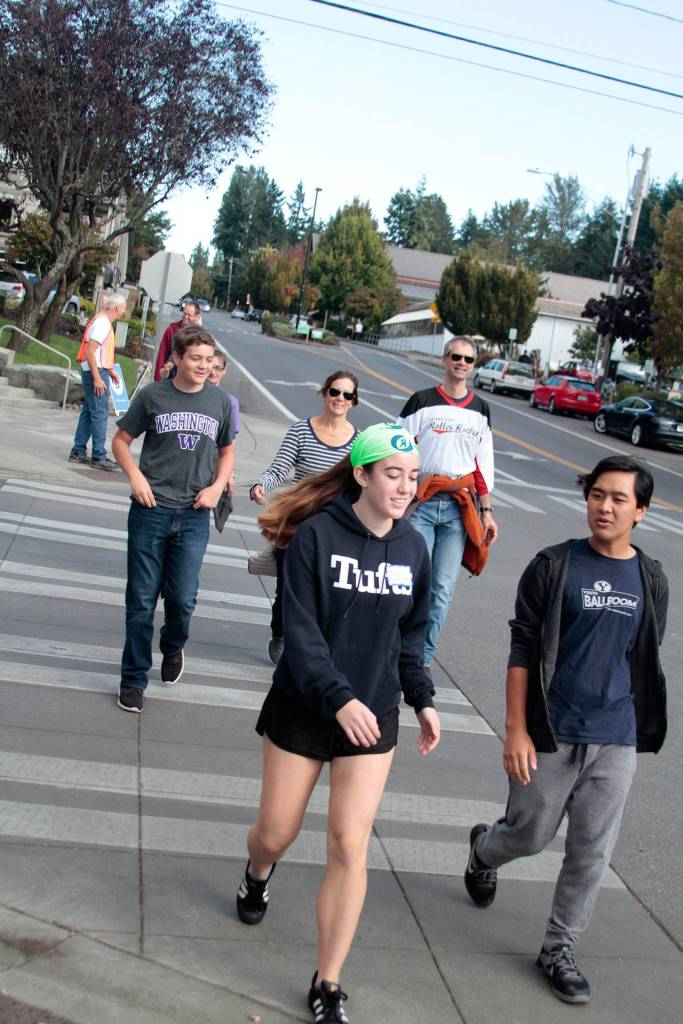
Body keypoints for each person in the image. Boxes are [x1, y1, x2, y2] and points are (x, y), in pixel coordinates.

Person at [236, 422, 441, 1024]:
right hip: (305, 707)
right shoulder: (317, 538)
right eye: (393, 474)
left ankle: (328, 983)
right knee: (275, 832)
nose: (405, 487)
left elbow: (412, 639)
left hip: (372, 717)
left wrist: (422, 698)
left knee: (351, 845)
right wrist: (336, 696)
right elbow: (300, 635)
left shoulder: (413, 548)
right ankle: (256, 873)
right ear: (362, 474)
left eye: (412, 476)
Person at [464, 455, 668, 1006]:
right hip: (551, 730)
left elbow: (642, 654)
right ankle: (485, 851)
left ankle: (558, 947)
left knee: (590, 849)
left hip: (615, 734)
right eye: (597, 494)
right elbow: (523, 648)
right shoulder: (554, 565)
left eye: (618, 499)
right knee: (530, 834)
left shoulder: (650, 577)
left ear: (641, 511)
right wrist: (516, 730)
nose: (604, 506)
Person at [112, 326, 236, 713]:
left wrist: (217, 487)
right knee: (142, 599)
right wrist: (135, 478)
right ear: (178, 359)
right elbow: (120, 441)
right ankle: (133, 680)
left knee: (182, 598)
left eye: (209, 360)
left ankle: (173, 645)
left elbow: (227, 450)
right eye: (195, 358)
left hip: (195, 513)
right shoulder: (153, 396)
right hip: (151, 510)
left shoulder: (219, 402)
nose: (203, 365)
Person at [397, 336, 497, 671]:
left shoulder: (480, 410)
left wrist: (487, 512)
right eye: (456, 357)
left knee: (441, 588)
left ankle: (421, 659)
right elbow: (399, 447)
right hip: (422, 504)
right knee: (412, 582)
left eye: (468, 359)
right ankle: (399, 648)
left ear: (473, 365)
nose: (462, 363)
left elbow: (482, 465)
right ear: (444, 360)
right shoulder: (421, 401)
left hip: (458, 508)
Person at [250, 371, 359, 665]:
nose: (340, 399)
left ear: (353, 402)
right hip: (298, 522)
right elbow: (279, 468)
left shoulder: (358, 443)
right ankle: (281, 634)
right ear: (324, 394)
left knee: (330, 590)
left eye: (347, 395)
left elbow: (361, 486)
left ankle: (315, 642)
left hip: (335, 528)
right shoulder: (301, 431)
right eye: (335, 392)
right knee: (289, 588)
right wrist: (262, 484)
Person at [68, 292, 126, 471]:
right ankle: (99, 455)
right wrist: (98, 377)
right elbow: (91, 351)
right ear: (117, 308)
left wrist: (109, 370)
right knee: (100, 413)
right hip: (95, 372)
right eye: (124, 308)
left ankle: (78, 451)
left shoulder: (101, 320)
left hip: (96, 370)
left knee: (89, 411)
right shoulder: (103, 323)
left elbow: (98, 352)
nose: (124, 312)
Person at [153, 300, 202, 381]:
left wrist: (199, 330)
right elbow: (162, 356)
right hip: (171, 379)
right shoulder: (172, 330)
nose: (186, 317)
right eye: (184, 313)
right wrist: (158, 381)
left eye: (189, 315)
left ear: (196, 317)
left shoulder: (199, 334)